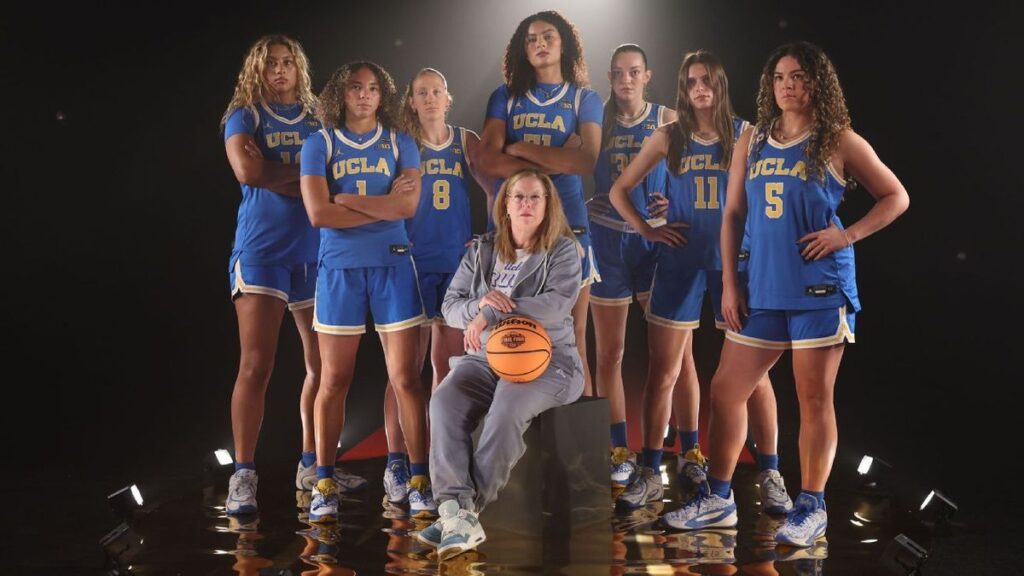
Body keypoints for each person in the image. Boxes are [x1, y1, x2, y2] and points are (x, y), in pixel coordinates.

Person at [662, 42, 909, 547]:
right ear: (768, 86)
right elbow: (732, 215)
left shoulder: (838, 139)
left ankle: (812, 505)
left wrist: (847, 235)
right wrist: (731, 281)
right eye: (779, 78)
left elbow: (896, 196)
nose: (788, 86)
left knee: (813, 398)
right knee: (727, 390)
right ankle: (720, 497)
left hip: (819, 288)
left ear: (818, 83)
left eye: (798, 77)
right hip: (762, 287)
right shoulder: (750, 139)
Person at [608, 50, 791, 514]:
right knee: (662, 372)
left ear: (721, 83)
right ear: (683, 89)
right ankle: (650, 469)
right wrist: (649, 228)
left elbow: (772, 192)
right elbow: (618, 190)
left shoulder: (748, 134)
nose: (699, 88)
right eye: (690, 82)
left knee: (754, 379)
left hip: (737, 263)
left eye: (707, 79)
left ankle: (770, 470)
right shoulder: (669, 135)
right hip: (681, 261)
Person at [219, 35, 365, 516]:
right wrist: (309, 177)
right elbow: (248, 171)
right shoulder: (245, 116)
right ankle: (243, 474)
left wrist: (284, 172)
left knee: (323, 368)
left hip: (314, 253)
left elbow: (336, 172)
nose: (280, 70)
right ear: (257, 70)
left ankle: (312, 465)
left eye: (288, 63)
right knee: (256, 365)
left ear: (300, 69)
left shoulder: (317, 119)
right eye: (271, 64)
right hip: (262, 252)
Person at [414, 170, 585, 560]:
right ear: (505, 205)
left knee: (507, 407)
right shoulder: (482, 249)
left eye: (535, 198)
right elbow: (451, 305)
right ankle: (455, 508)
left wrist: (489, 317)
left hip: (548, 362)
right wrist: (479, 307)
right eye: (518, 196)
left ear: (548, 205)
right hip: (487, 359)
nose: (526, 204)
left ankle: (466, 512)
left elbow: (556, 306)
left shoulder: (563, 250)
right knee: (443, 402)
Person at [298, 61, 433, 523]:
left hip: (394, 265)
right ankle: (323, 482)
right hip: (339, 270)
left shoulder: (402, 143)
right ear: (341, 92)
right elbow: (318, 214)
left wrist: (350, 200)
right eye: (356, 87)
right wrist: (382, 208)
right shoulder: (320, 144)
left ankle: (417, 479)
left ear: (383, 96)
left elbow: (409, 205)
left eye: (374, 89)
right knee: (333, 381)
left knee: (407, 380)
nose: (364, 96)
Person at [379, 68, 493, 513]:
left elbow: (496, 191)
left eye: (436, 91)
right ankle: (397, 463)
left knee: (444, 370)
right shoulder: (398, 144)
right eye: (421, 92)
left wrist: (486, 237)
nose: (429, 98)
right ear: (411, 101)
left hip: (455, 268)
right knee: (402, 372)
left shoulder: (466, 141)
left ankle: (440, 464)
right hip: (407, 262)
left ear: (449, 97)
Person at [477, 9, 602, 396]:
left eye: (548, 36)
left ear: (564, 43)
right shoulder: (506, 97)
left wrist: (518, 146)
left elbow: (584, 161)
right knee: (509, 331)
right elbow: (487, 160)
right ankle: (520, 443)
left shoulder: (585, 98)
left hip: (568, 225)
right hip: (515, 228)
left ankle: (584, 450)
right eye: (531, 39)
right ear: (522, 49)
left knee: (574, 335)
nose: (540, 44)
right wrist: (553, 157)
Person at [585, 43, 675, 489]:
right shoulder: (594, 117)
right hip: (605, 236)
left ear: (647, 75)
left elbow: (702, 168)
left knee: (674, 355)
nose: (625, 79)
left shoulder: (667, 118)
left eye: (634, 71)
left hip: (653, 239)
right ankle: (618, 447)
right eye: (618, 72)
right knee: (610, 352)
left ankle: (689, 444)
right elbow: (572, 165)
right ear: (609, 76)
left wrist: (674, 198)